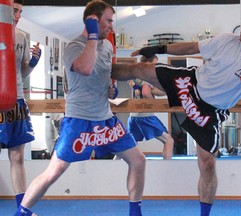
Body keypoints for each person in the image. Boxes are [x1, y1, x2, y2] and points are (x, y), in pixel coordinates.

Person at [111, 8, 241, 216]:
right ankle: (97, 73)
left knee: (207, 163)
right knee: (139, 69)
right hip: (190, 85)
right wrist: (158, 48)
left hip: (209, 111)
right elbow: (191, 47)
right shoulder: (227, 40)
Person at [14, 1, 146, 216]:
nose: (111, 26)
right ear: (92, 20)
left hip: (104, 119)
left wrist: (109, 91)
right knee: (54, 171)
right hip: (79, 120)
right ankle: (21, 212)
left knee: (138, 160)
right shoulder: (74, 46)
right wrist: (92, 36)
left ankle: (135, 213)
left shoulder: (107, 46)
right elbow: (85, 68)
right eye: (108, 21)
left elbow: (101, 78)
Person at [0, 0, 41, 209]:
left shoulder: (22, 37)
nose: (17, 16)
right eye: (14, 11)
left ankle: (21, 209)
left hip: (15, 98)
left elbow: (21, 73)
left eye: (20, 12)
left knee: (17, 156)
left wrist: (33, 63)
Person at [127, 55, 174, 160]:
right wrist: (154, 104)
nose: (155, 66)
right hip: (145, 116)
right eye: (155, 63)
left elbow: (153, 91)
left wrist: (170, 90)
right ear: (148, 63)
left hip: (133, 116)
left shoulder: (137, 74)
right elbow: (146, 91)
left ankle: (115, 165)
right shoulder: (147, 75)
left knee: (130, 145)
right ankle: (168, 168)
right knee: (168, 140)